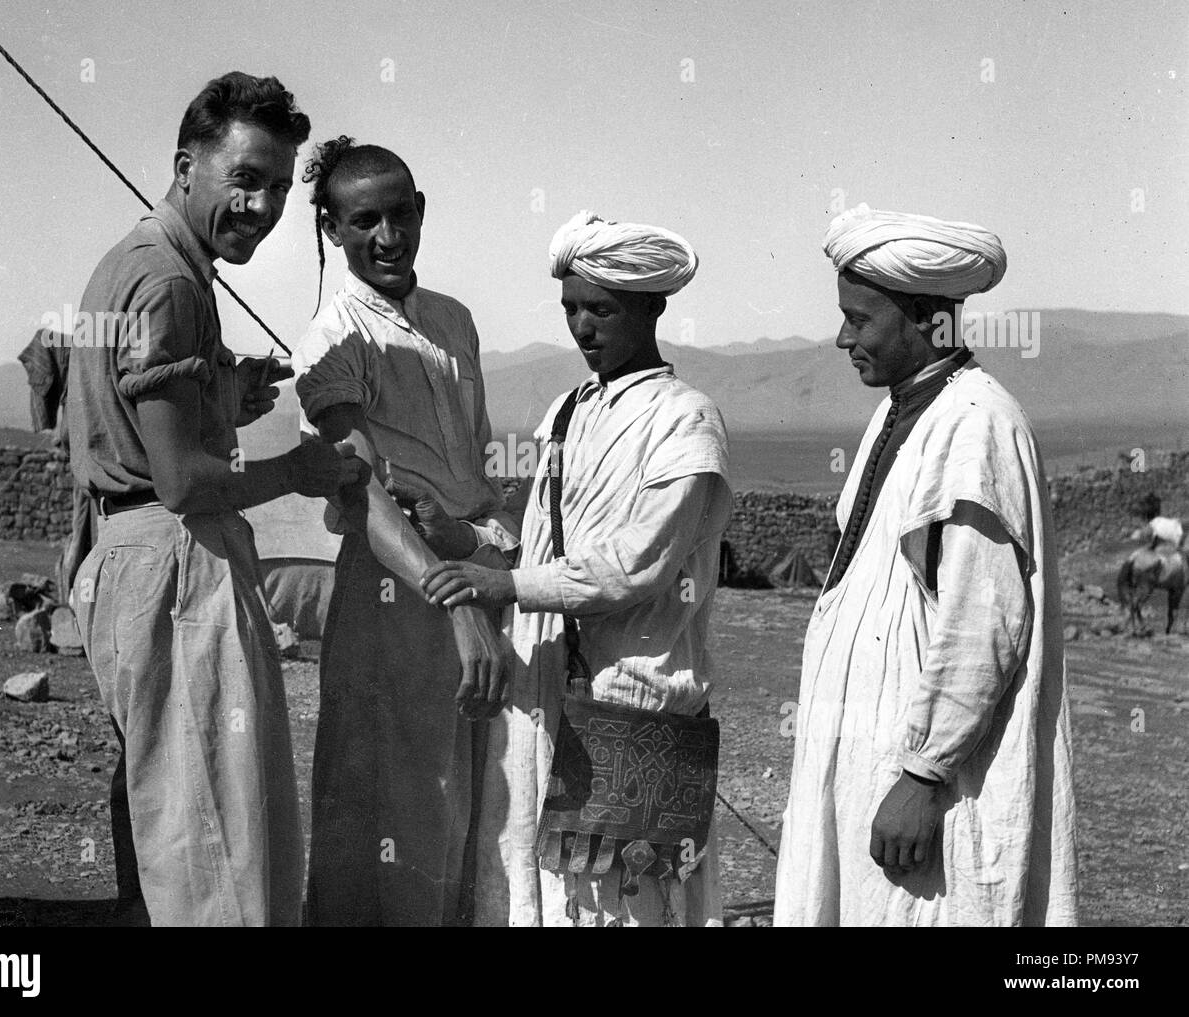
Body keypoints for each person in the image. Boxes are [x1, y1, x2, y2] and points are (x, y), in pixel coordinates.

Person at [66, 72, 368, 927]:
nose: (263, 206)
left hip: (137, 560)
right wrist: (298, 472)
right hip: (173, 570)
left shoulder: (148, 263)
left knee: (183, 828)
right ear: (186, 164)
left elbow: (124, 426)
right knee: (216, 853)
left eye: (277, 186)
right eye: (245, 179)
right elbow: (181, 481)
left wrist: (221, 396)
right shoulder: (167, 281)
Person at [422, 210, 733, 927]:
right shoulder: (565, 412)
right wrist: (465, 539)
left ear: (651, 306)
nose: (583, 327)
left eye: (601, 308)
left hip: (637, 697)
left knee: (634, 898)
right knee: (548, 892)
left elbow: (635, 567)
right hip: (547, 691)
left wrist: (506, 585)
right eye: (570, 309)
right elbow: (542, 543)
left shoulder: (687, 421)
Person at [774, 204, 1079, 926]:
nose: (843, 336)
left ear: (924, 320)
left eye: (860, 318)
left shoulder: (976, 425)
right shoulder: (900, 410)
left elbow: (985, 622)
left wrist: (922, 774)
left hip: (926, 782)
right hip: (870, 752)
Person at [292, 137, 515, 926]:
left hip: (464, 574)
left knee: (461, 804)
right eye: (364, 222)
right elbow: (365, 501)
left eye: (400, 215)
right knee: (388, 805)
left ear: (420, 211)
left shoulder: (453, 322)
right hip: (392, 597)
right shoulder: (331, 341)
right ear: (331, 228)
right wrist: (455, 603)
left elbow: (475, 474)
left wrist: (489, 562)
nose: (387, 238)